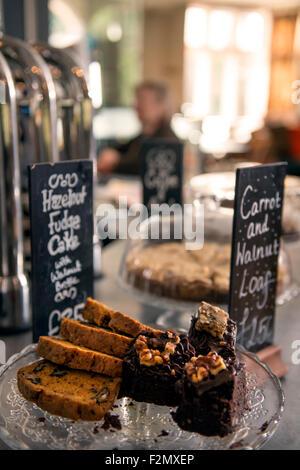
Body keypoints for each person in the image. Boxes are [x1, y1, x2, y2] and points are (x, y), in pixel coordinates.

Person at [97, 80, 180, 176]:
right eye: (137, 100)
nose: (136, 106)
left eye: (143, 100)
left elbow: (143, 167)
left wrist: (116, 161)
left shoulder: (167, 140)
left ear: (161, 106)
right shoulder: (144, 135)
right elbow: (121, 149)